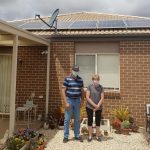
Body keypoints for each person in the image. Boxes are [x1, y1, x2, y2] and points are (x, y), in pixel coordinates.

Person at [62, 65, 84, 143]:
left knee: (77, 119)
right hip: (69, 100)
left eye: (77, 70)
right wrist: (66, 102)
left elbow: (82, 91)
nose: (76, 72)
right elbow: (63, 91)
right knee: (67, 119)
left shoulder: (80, 79)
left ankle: (77, 135)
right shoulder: (67, 78)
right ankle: (65, 136)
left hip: (77, 101)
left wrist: (82, 101)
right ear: (71, 70)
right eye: (74, 70)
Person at [86, 74, 104, 142]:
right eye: (94, 79)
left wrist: (98, 106)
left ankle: (97, 136)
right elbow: (87, 97)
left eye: (96, 80)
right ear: (92, 80)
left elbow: (102, 97)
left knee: (98, 121)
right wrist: (94, 105)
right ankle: (90, 136)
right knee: (90, 121)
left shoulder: (101, 87)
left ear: (98, 80)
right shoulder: (89, 87)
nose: (95, 81)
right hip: (89, 107)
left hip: (99, 107)